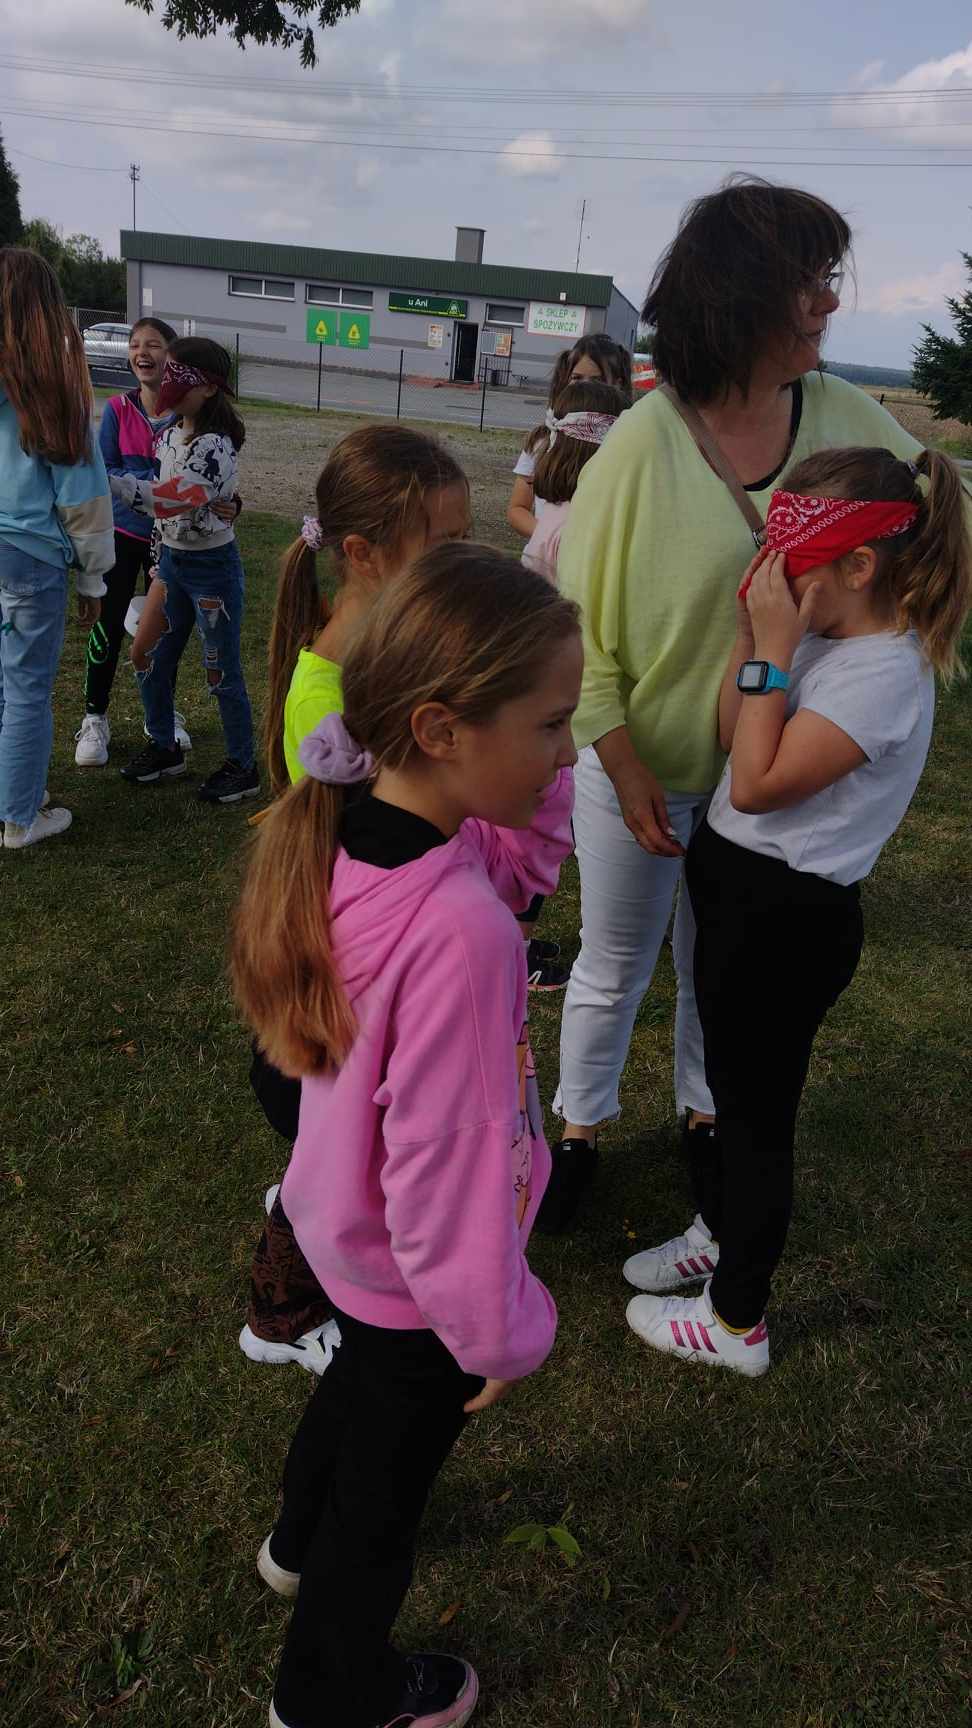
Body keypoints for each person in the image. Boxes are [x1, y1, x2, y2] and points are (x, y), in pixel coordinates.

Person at [231, 544, 580, 1728]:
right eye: (552, 726)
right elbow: (447, 1177)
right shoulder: (462, 934)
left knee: (351, 1404)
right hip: (415, 1289)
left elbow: (523, 859)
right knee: (379, 1514)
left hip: (345, 1240)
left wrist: (541, 762)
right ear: (439, 728)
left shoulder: (356, 825)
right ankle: (329, 1693)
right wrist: (500, 1331)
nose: (568, 753)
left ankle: (292, 1537)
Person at [543, 174, 932, 1235]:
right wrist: (621, 765)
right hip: (642, 770)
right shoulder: (639, 445)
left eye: (829, 278)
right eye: (812, 281)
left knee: (712, 975)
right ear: (743, 293)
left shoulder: (846, 418)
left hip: (761, 790)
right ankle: (578, 1132)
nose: (831, 301)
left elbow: (940, 526)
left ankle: (705, 1119)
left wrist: (912, 629)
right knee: (613, 962)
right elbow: (578, 632)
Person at [624, 445, 971, 1375]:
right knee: (727, 1089)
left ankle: (737, 1320)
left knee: (755, 1118)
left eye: (792, 568)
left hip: (785, 923)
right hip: (740, 901)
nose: (773, 583)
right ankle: (720, 1227)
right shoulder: (821, 637)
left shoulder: (884, 674)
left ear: (859, 566)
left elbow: (758, 782)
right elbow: (729, 732)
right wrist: (755, 639)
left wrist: (775, 650)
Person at [242, 423, 470, 1373]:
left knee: (341, 1155)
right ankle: (279, 1316)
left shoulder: (385, 650)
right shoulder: (327, 695)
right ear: (363, 554)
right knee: (328, 1164)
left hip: (369, 967)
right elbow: (362, 853)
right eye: (444, 543)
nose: (463, 559)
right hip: (340, 982)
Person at [110, 337, 258, 804]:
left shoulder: (216, 446)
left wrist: (104, 483)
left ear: (208, 388)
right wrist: (159, 563)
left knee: (221, 673)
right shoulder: (170, 434)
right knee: (145, 654)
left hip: (213, 571)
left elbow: (172, 499)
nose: (166, 380)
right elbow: (166, 509)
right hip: (173, 565)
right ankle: (164, 746)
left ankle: (243, 766)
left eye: (178, 374)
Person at [0, 246, 113, 850]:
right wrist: (94, 579)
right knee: (26, 692)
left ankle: (12, 796)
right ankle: (20, 818)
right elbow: (83, 498)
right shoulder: (54, 392)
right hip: (28, 556)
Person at [516, 377, 626, 993]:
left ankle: (519, 935)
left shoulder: (555, 514)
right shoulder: (580, 526)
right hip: (561, 692)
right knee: (544, 824)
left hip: (545, 684)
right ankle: (518, 948)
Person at [506, 333, 632, 541]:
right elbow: (517, 508)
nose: (585, 387)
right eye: (577, 378)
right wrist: (553, 538)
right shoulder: (544, 439)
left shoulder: (628, 444)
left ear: (617, 384)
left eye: (598, 380)